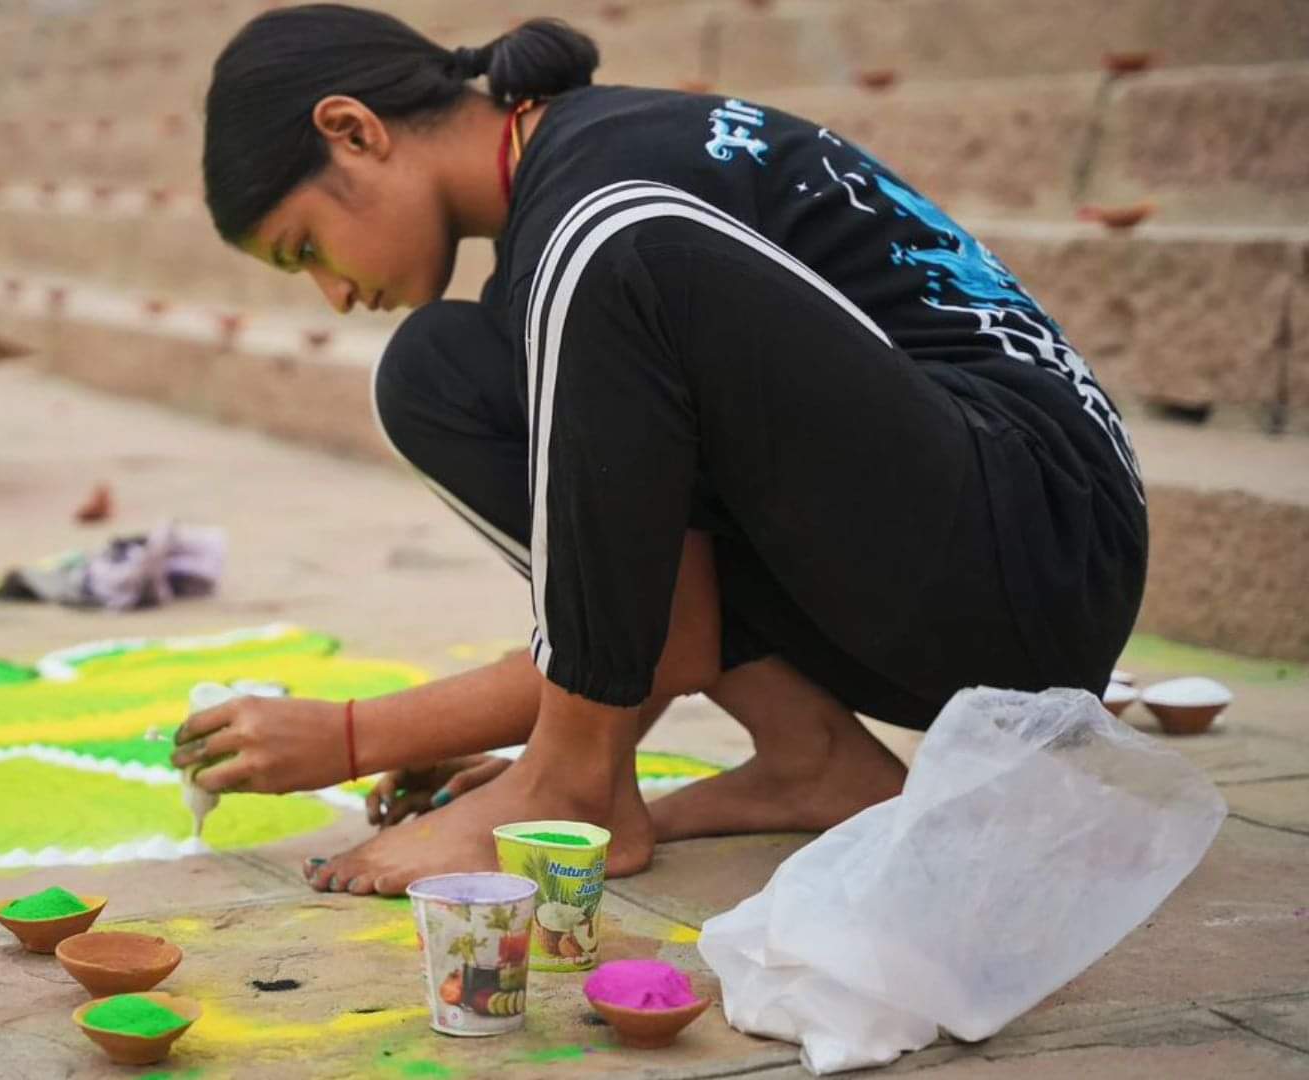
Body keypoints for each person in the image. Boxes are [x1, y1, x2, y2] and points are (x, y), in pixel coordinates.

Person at [173, 4, 1147, 897]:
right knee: (441, 373)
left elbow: (635, 631)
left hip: (1039, 542)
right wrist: (507, 732)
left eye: (306, 248)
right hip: (940, 562)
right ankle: (808, 756)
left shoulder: (608, 192)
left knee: (613, 250)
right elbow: (665, 631)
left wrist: (355, 736)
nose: (336, 294)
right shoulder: (560, 225)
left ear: (354, 131)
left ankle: (575, 781)